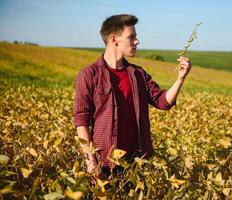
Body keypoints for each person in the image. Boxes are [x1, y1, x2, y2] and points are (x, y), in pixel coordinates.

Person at [73, 14, 192, 179]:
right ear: (114, 40)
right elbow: (81, 122)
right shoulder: (88, 75)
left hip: (138, 163)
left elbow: (163, 102)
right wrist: (90, 162)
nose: (137, 41)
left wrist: (180, 79)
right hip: (104, 163)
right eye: (132, 37)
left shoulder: (138, 74)